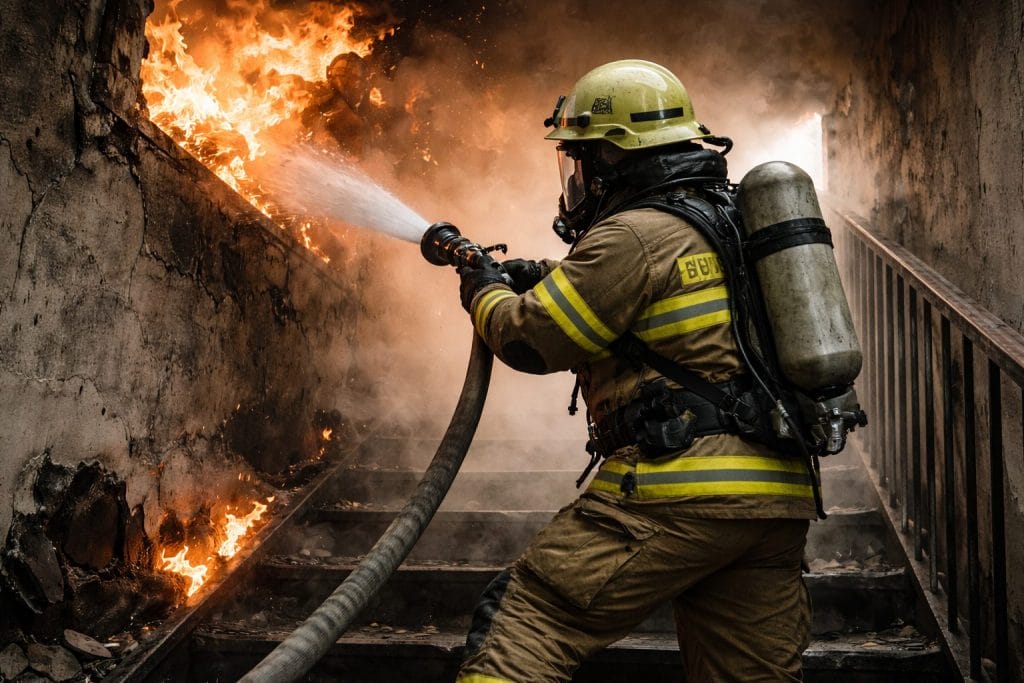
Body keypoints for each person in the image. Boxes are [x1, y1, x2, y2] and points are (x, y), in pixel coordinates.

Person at [453, 59, 817, 682]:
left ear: (613, 158)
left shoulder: (635, 234)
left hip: (676, 490)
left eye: (581, 160)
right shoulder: (728, 224)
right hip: (772, 501)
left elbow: (533, 340)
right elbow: (659, 309)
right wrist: (543, 276)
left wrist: (483, 289)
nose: (576, 179)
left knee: (527, 622)